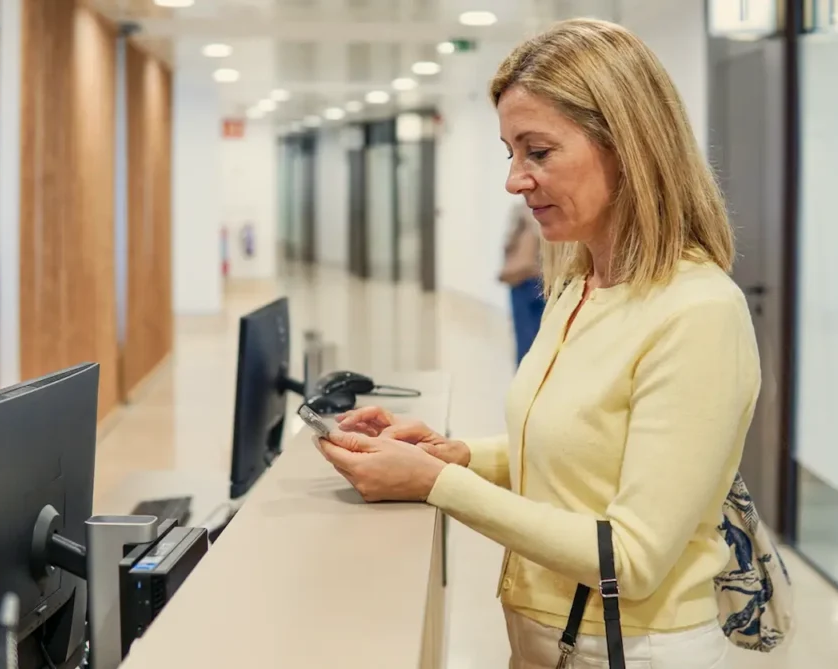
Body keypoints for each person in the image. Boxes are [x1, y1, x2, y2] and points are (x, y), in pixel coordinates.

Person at [315, 18, 758, 669]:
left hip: (632, 648)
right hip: (548, 634)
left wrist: (437, 483)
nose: (515, 180)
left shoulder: (698, 312)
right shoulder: (577, 281)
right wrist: (457, 453)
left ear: (626, 145)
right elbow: (576, 452)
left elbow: (631, 557)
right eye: (509, 152)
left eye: (539, 152)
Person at [500, 202, 546, 365]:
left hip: (545, 282)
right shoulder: (519, 211)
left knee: (543, 340)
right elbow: (508, 244)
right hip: (523, 282)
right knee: (525, 339)